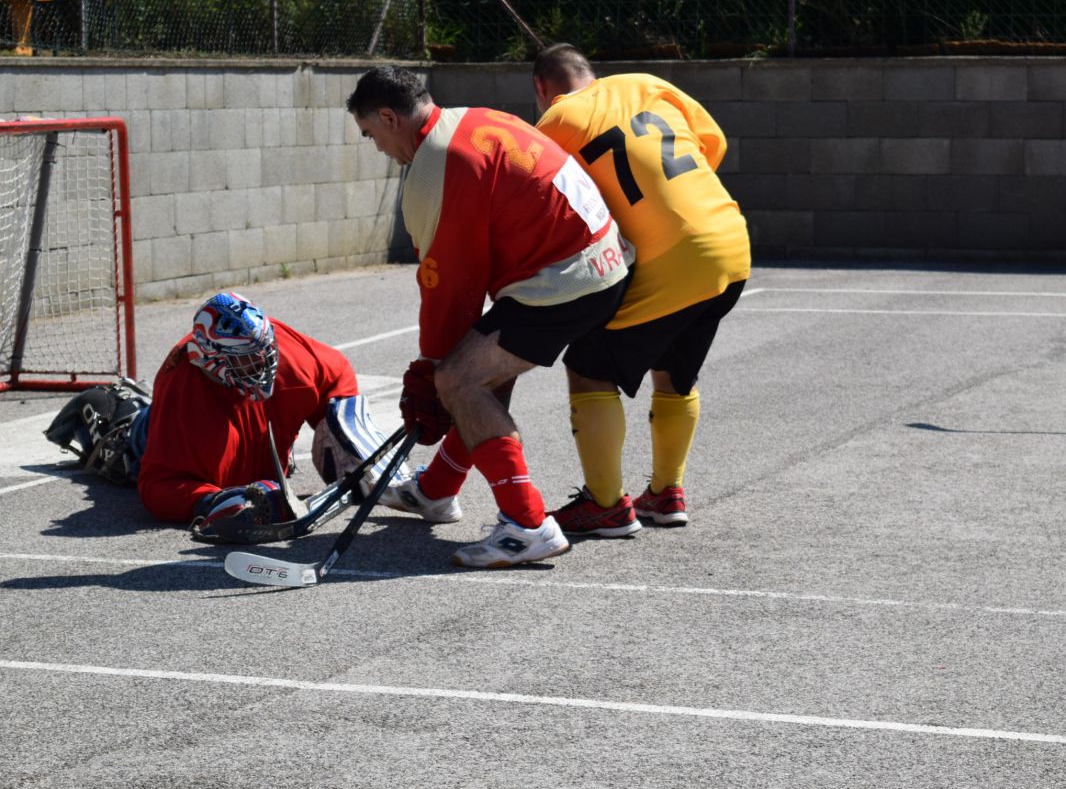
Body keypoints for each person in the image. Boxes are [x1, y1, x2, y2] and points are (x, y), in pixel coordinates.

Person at [346, 65, 633, 568]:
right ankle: (436, 491)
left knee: (462, 379)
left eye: (371, 134)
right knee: (482, 369)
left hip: (566, 278)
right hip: (602, 261)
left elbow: (448, 288)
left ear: (389, 118)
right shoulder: (471, 117)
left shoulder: (435, 165)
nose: (377, 148)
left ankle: (527, 526)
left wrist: (431, 371)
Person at [529, 42, 751, 532]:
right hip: (730, 242)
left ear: (541, 88)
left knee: (588, 367)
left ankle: (606, 504)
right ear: (591, 71)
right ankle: (666, 493)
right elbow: (713, 145)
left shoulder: (552, 123)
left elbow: (550, 209)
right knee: (674, 369)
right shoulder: (648, 83)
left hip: (671, 257)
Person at [44, 291, 430, 542]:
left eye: (265, 351)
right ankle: (123, 416)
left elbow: (337, 371)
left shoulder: (286, 355)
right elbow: (158, 486)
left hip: (253, 447)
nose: (264, 365)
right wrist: (214, 501)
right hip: (162, 435)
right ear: (212, 360)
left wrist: (344, 429)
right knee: (129, 448)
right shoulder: (185, 392)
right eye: (248, 360)